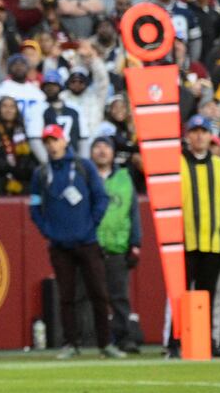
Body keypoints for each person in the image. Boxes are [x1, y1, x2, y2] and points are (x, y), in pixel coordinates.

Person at [29, 123, 123, 360]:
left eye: (54, 140)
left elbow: (101, 198)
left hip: (87, 241)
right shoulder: (41, 173)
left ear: (64, 141)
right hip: (60, 245)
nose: (51, 146)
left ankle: (106, 343)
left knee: (99, 293)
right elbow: (34, 208)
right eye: (47, 142)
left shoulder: (84, 167)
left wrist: (91, 225)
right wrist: (48, 231)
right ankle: (71, 342)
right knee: (66, 296)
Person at [171, 113, 220, 358]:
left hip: (212, 240)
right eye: (194, 131)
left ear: (210, 136)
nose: (199, 136)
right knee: (179, 295)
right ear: (187, 136)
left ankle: (207, 342)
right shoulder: (177, 163)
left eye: (203, 132)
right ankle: (174, 342)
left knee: (209, 296)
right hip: (185, 240)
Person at [91, 135, 141, 354]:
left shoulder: (124, 177)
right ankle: (95, 338)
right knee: (92, 296)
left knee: (119, 296)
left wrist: (136, 242)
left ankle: (123, 337)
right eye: (97, 147)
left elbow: (133, 212)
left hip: (117, 245)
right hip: (91, 245)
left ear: (113, 153)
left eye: (105, 147)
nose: (102, 151)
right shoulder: (86, 177)